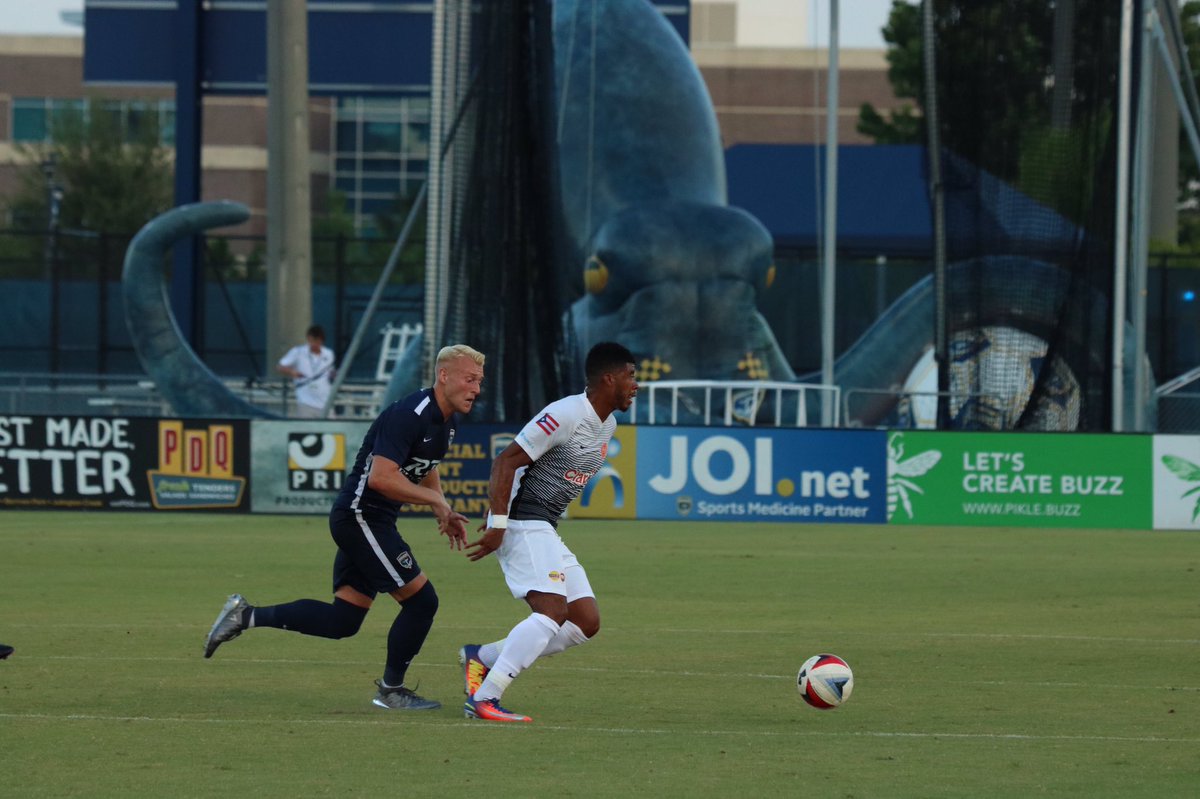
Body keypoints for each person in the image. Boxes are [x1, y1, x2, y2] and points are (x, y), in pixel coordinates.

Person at [204, 344, 486, 711]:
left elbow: (427, 463)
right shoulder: (410, 414)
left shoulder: (447, 421)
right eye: (469, 379)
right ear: (444, 376)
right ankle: (391, 690)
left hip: (370, 520)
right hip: (360, 516)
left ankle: (246, 615)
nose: (476, 389)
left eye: (479, 381)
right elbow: (381, 479)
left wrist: (441, 508)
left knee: (344, 620)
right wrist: (435, 502)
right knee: (422, 602)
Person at [459, 341, 638, 722]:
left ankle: (483, 657)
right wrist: (498, 524)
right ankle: (486, 698)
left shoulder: (608, 424)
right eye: (630, 376)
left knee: (585, 621)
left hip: (545, 526)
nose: (635, 385)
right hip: (523, 522)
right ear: (609, 379)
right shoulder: (564, 414)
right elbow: (504, 462)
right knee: (552, 611)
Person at [276, 325, 337, 418]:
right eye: (312, 340)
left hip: (325, 401)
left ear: (321, 340)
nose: (314, 344)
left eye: (317, 341)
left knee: (331, 430)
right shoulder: (298, 351)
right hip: (305, 401)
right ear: (308, 339)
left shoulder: (329, 354)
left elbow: (330, 372)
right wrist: (293, 372)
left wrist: (334, 375)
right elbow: (280, 366)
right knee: (307, 430)